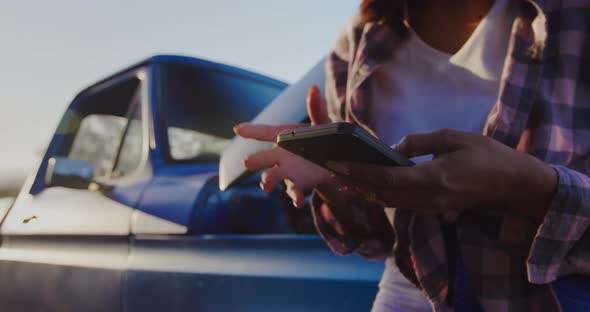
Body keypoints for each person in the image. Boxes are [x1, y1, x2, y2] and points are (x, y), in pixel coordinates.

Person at [235, 0, 590, 310]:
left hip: (558, 295)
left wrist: (521, 185)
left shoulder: (574, 15)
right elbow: (377, 239)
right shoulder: (359, 39)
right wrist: (333, 180)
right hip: (409, 294)